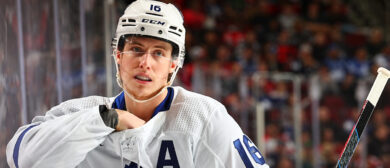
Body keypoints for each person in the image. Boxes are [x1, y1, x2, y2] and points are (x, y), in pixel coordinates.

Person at [6, 0, 269, 167]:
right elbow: (22, 158)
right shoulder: (81, 112)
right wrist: (108, 119)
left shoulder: (201, 117)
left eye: (158, 53)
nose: (145, 62)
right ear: (118, 56)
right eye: (136, 49)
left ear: (172, 66)